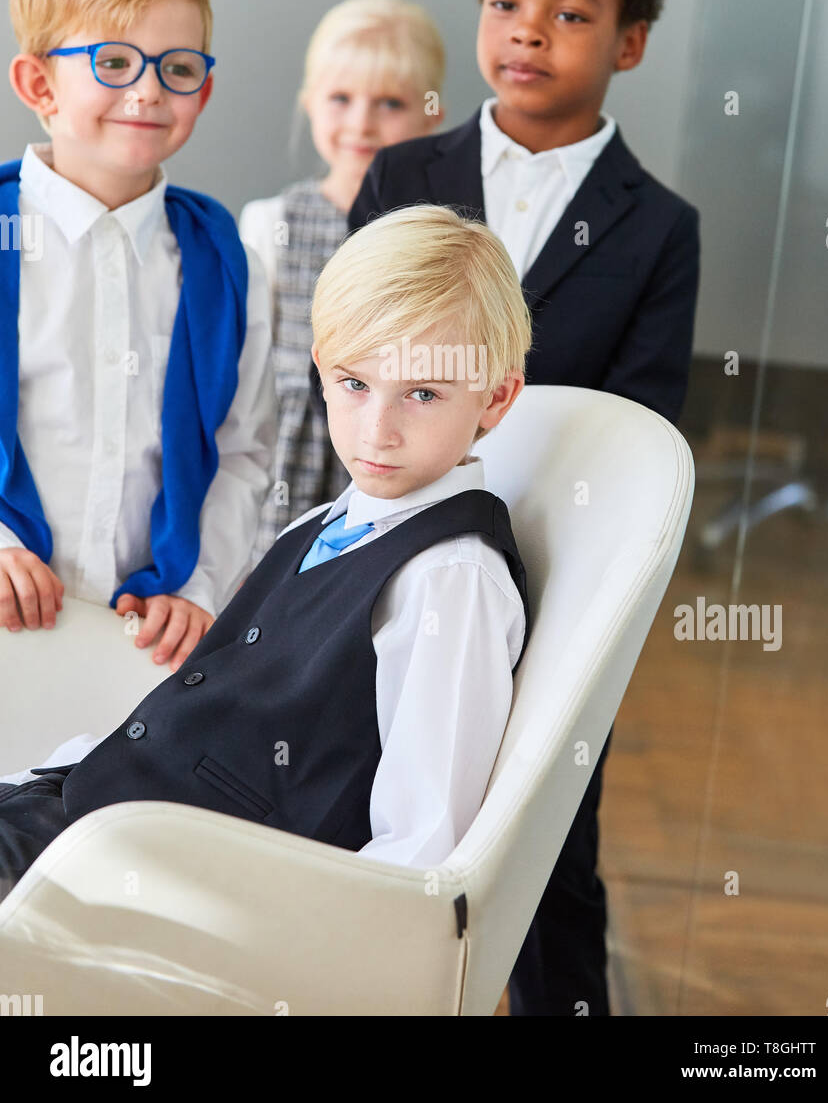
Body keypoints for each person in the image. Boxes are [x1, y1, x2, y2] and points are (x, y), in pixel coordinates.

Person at [320, 0, 702, 1015]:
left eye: (570, 13)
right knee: (377, 791)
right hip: (393, 540)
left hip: (549, 577)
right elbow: (344, 358)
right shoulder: (404, 177)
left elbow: (639, 431)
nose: (528, 31)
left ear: (629, 42)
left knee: (545, 836)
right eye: (504, 1)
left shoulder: (658, 227)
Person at [0, 205, 532, 898]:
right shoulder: (315, 526)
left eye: (423, 394)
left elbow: (422, 846)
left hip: (175, 886)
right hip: (89, 824)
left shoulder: (450, 580)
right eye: (355, 384)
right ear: (320, 368)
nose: (378, 431)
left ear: (495, 399)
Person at [0, 0, 276, 671]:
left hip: (141, 649)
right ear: (38, 85)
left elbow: (240, 452)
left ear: (203, 89)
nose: (149, 90)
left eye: (177, 67)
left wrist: (202, 586)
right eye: (114, 61)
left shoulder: (226, 264)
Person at [239, 0, 446, 565]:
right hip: (286, 453)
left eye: (389, 103)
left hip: (394, 444)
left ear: (432, 115)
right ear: (309, 102)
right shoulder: (270, 222)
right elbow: (249, 361)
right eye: (340, 99)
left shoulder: (438, 237)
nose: (361, 122)